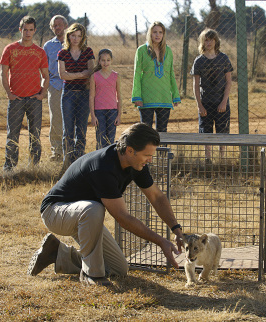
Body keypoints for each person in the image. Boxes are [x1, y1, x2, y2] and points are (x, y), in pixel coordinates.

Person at [27, 123, 183, 286]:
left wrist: (176, 229)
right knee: (94, 208)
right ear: (130, 150)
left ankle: (57, 253)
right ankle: (91, 275)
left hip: (85, 216)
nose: (150, 160)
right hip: (55, 212)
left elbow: (157, 197)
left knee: (118, 268)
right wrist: (160, 241)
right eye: (147, 155)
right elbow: (122, 217)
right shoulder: (103, 167)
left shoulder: (136, 164)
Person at [0, 16, 49, 171]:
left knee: (35, 135)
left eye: (31, 30)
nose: (28, 33)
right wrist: (9, 93)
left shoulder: (39, 52)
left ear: (34, 31)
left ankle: (33, 168)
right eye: (25, 29)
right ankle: (9, 168)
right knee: (12, 134)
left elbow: (46, 76)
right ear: (20, 30)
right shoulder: (10, 49)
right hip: (16, 98)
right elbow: (3, 72)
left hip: (34, 99)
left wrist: (42, 93)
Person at [190, 28, 233, 162]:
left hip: (221, 102)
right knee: (206, 133)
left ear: (216, 41)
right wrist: (200, 106)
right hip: (205, 103)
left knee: (222, 131)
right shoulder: (199, 61)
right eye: (206, 40)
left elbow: (229, 81)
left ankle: (222, 160)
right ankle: (207, 160)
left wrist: (224, 102)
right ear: (202, 42)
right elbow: (195, 85)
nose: (209, 43)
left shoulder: (223, 58)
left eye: (211, 40)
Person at [131, 21, 180, 133]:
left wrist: (175, 95)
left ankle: (162, 151)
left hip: (164, 96)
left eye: (160, 32)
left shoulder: (168, 50)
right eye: (154, 32)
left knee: (162, 131)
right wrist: (137, 96)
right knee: (146, 132)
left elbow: (171, 74)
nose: (157, 35)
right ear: (150, 34)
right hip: (146, 97)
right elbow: (137, 74)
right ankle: (147, 152)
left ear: (163, 34)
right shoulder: (141, 50)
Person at [58, 23, 95, 164]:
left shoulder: (88, 52)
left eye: (79, 36)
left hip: (84, 94)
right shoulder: (62, 53)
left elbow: (91, 72)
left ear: (83, 37)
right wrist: (81, 74)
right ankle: (67, 161)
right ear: (68, 36)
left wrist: (72, 74)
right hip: (68, 94)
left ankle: (79, 161)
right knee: (68, 130)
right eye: (73, 35)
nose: (76, 39)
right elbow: (62, 75)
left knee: (81, 129)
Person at [43, 15, 68, 162]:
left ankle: (72, 149)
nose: (57, 27)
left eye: (59, 25)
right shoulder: (48, 46)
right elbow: (44, 68)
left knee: (72, 118)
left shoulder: (72, 42)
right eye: (54, 25)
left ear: (65, 25)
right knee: (56, 119)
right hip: (55, 85)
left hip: (71, 84)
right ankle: (57, 151)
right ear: (52, 28)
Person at [89, 49, 122, 149]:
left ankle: (109, 161)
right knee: (100, 139)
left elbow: (119, 97)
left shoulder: (116, 76)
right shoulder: (94, 76)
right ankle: (99, 161)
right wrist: (93, 116)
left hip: (113, 111)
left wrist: (119, 115)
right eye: (103, 60)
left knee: (110, 140)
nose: (105, 62)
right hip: (99, 112)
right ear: (99, 61)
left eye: (108, 60)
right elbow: (91, 96)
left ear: (111, 60)